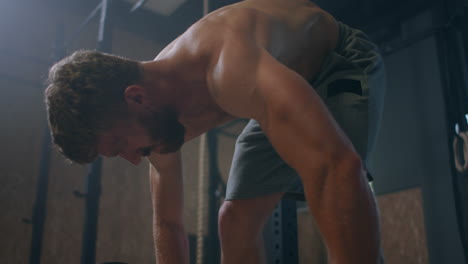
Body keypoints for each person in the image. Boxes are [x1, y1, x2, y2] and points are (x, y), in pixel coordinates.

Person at [44, 0, 386, 263]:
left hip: (338, 62)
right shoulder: (156, 123)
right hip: (278, 91)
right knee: (234, 219)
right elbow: (169, 225)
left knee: (331, 173)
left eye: (121, 144)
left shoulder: (227, 67)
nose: (133, 159)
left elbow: (337, 167)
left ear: (136, 98)